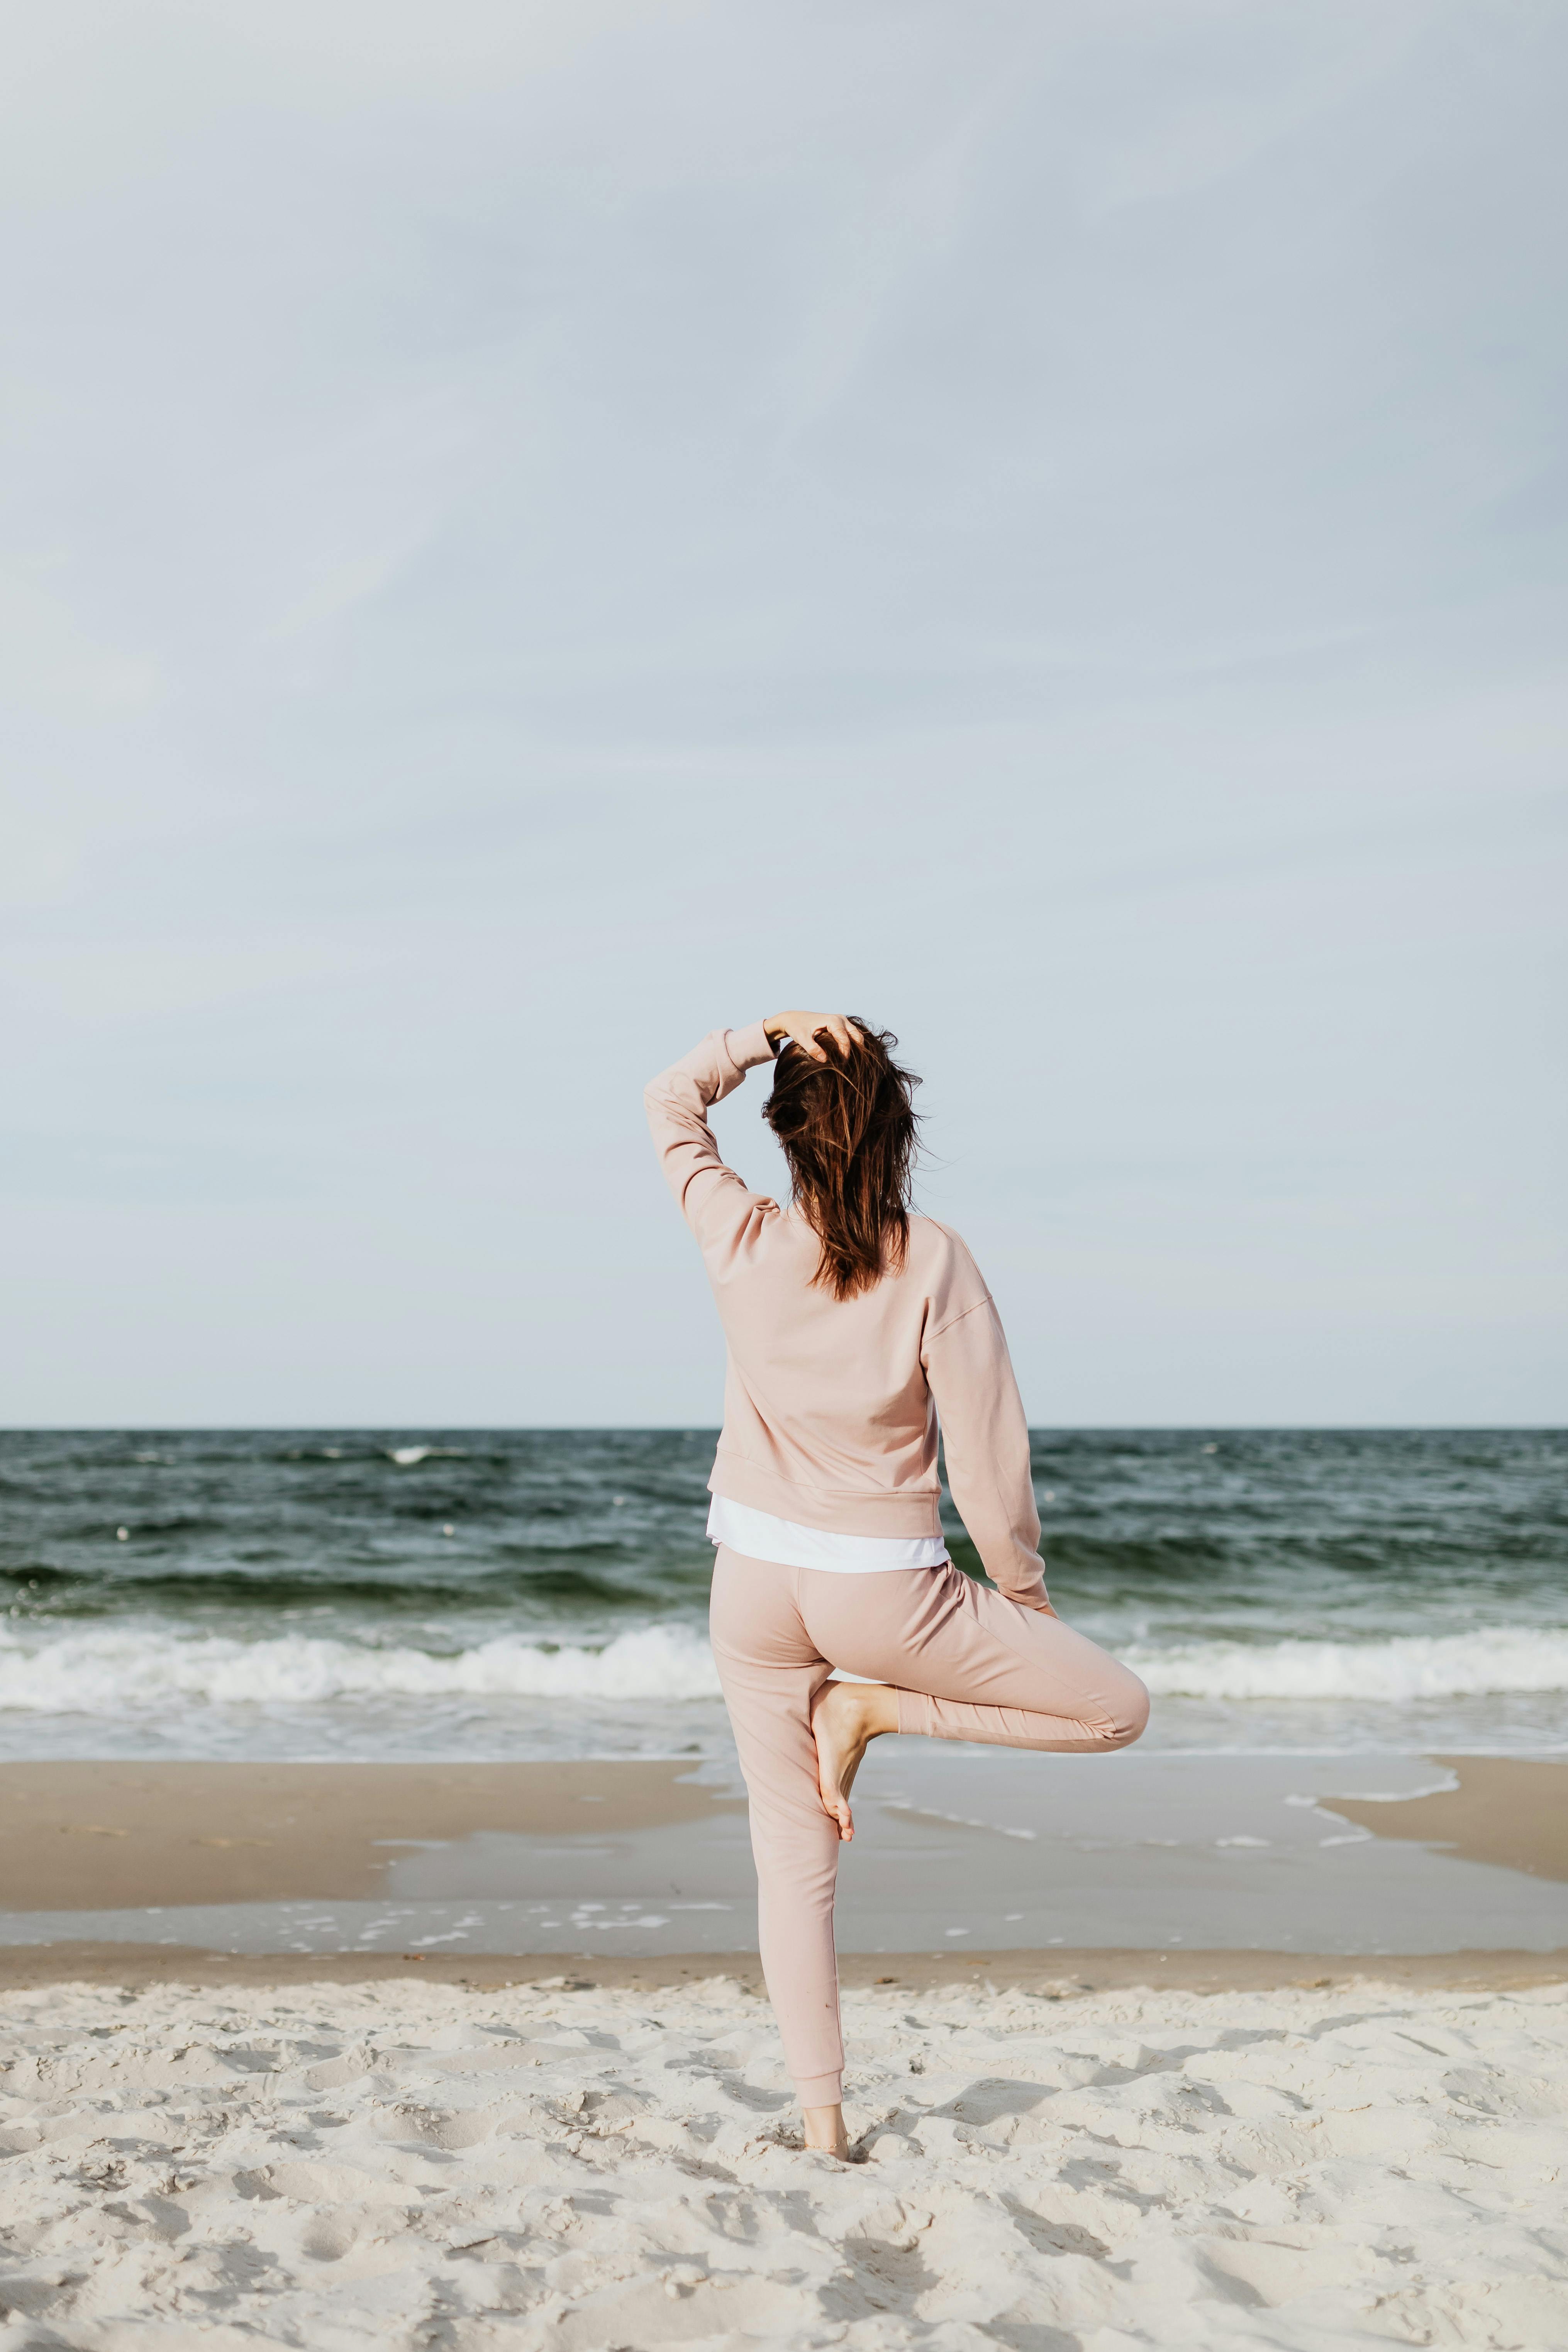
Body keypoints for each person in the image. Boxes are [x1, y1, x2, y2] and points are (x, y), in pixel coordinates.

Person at [645, 1010, 1149, 2158]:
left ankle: (823, 2121)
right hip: (886, 1592)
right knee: (1119, 1709)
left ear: (782, 1128)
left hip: (752, 1587)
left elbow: (668, 1102)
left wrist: (757, 1029)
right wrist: (1021, 1590)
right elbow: (987, 1459)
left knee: (792, 1856)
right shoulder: (932, 1257)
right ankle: (874, 1705)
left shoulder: (738, 1231)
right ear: (897, 1131)